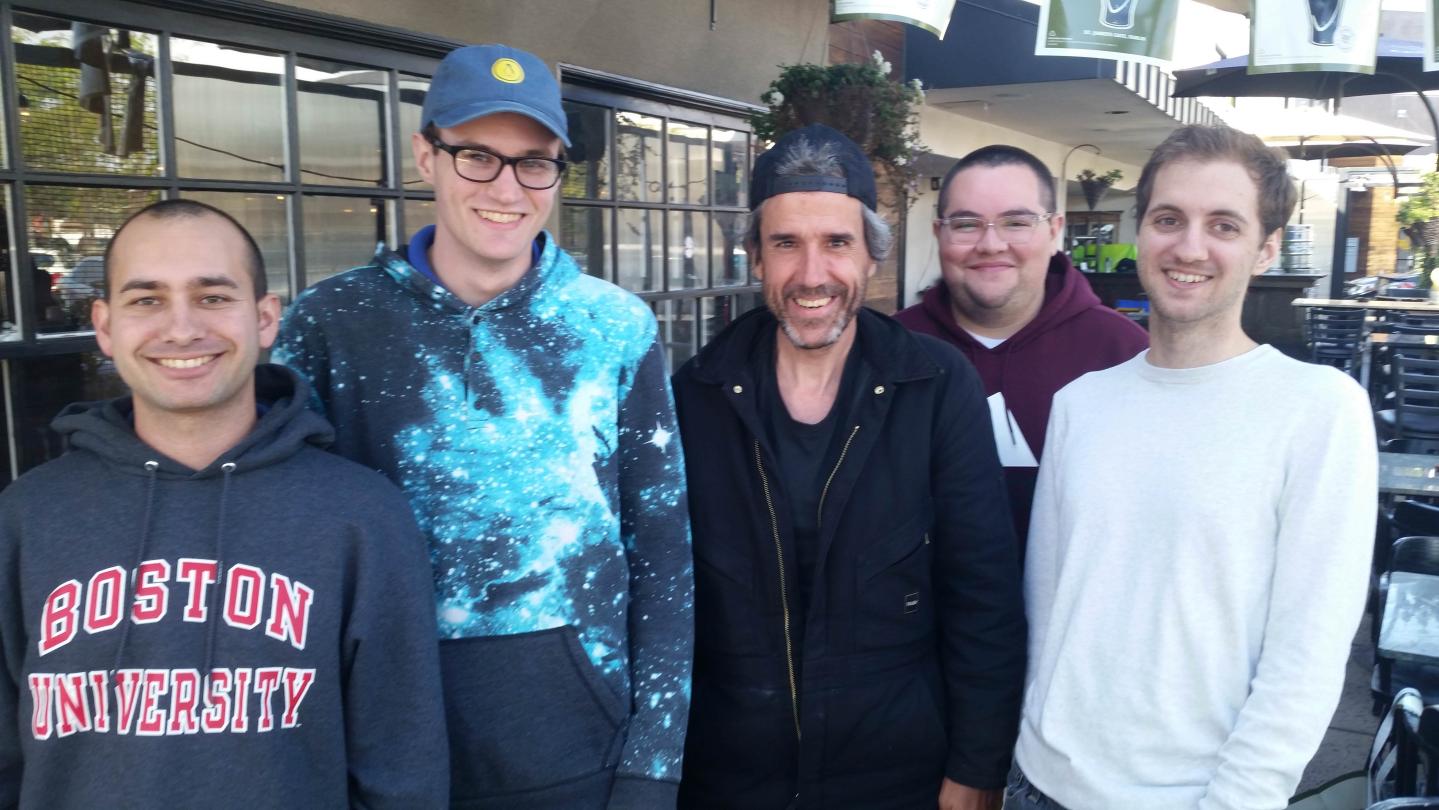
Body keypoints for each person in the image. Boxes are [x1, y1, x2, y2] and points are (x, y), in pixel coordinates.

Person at [273, 43, 693, 809]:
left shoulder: (614, 327)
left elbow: (663, 553)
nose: (506, 188)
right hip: (379, 759)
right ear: (425, 156)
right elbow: (287, 551)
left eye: (533, 163)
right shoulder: (332, 324)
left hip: (579, 759)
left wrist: (651, 769)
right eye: (476, 156)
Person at [0, 199, 448, 809]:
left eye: (212, 297)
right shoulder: (27, 518)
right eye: (146, 300)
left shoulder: (361, 517)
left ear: (265, 318)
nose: (182, 329)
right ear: (104, 326)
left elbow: (401, 770)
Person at [1013, 125, 1377, 810]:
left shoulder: (1318, 410)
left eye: (1223, 226)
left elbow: (1306, 652)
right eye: (1168, 219)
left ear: (1266, 248)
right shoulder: (1080, 404)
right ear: (1141, 231)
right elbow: (1048, 601)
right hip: (1039, 781)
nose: (1188, 247)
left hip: (1192, 796)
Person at [672, 123, 1026, 810]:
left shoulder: (935, 385)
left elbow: (982, 593)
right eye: (785, 244)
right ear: (755, 257)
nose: (812, 275)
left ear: (871, 256)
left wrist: (977, 767)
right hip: (730, 779)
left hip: (898, 778)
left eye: (836, 242)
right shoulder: (696, 394)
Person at [895, 145, 1147, 546]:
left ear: (1054, 230)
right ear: (939, 232)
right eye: (966, 224)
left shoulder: (1125, 354)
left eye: (1016, 222)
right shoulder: (890, 351)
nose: (991, 244)